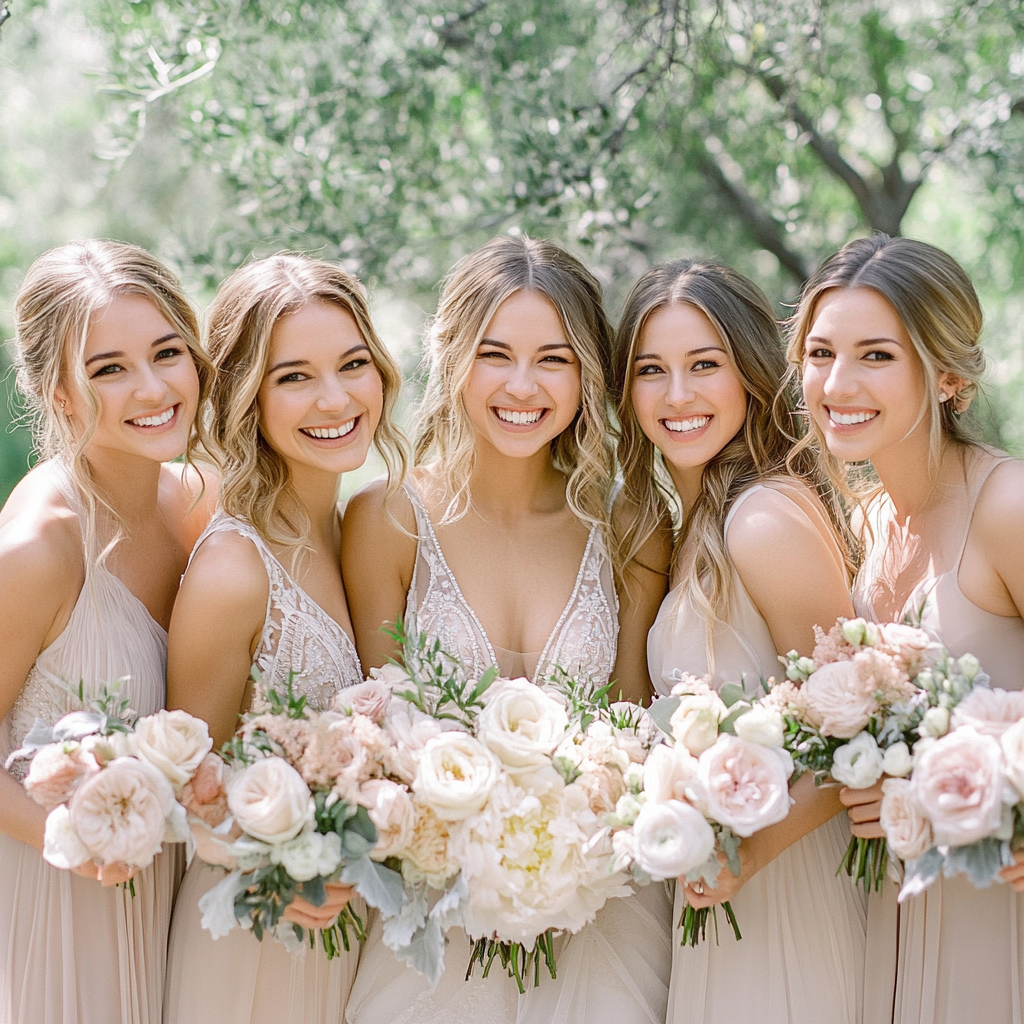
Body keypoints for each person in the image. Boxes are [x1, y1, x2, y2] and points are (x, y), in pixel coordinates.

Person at [341, 235, 672, 1024]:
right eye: (496, 354)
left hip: (600, 914)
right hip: (432, 922)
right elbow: (375, 732)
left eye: (553, 359)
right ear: (454, 357)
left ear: (588, 371)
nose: (523, 385)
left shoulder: (632, 523)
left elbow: (632, 726)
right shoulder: (386, 518)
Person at [613, 258, 867, 1024]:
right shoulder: (690, 527)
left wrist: (747, 855)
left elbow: (858, 729)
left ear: (752, 376)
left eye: (704, 366)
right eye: (651, 370)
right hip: (719, 889)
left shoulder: (761, 520)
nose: (677, 395)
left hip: (785, 894)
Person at [162, 254, 407, 1024]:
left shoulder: (354, 530)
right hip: (256, 940)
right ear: (246, 395)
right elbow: (187, 790)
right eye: (294, 376)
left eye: (352, 364)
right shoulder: (235, 568)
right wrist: (284, 865)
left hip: (350, 940)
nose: (334, 398)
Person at [790, 233, 1024, 1024]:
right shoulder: (865, 520)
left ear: (949, 374)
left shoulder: (1007, 506)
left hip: (1001, 916)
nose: (837, 382)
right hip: (896, 914)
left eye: (876, 355)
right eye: (820, 353)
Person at [0, 239, 214, 1024]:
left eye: (167, 353)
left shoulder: (200, 500)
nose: (153, 387)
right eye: (108, 369)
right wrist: (75, 839)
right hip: (62, 902)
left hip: (177, 903)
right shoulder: (40, 546)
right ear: (57, 392)